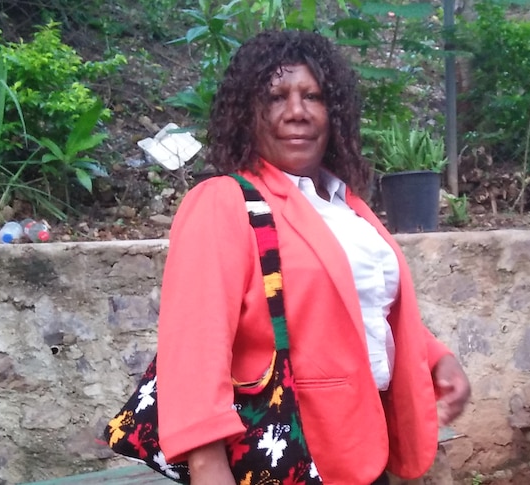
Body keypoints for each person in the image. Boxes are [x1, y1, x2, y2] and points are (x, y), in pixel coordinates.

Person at [156, 30, 471, 484]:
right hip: (287, 456)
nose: (297, 112)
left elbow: (353, 307)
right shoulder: (224, 202)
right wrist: (207, 467)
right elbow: (194, 349)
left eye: (313, 96)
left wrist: (435, 356)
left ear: (334, 112)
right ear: (247, 112)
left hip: (363, 450)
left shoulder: (346, 205)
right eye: (276, 97)